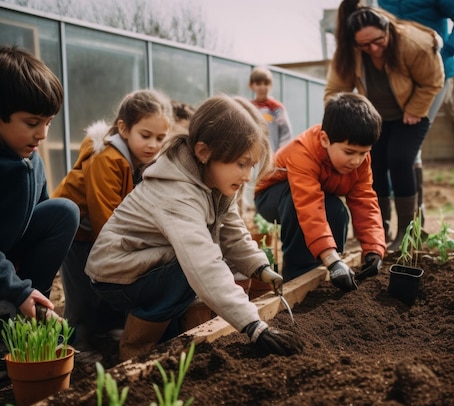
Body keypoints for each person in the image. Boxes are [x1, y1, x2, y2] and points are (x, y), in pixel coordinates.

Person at [85, 94, 304, 360]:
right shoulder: (177, 193)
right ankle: (135, 348)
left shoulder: (215, 181)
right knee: (188, 269)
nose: (247, 175)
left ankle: (169, 334)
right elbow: (203, 263)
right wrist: (253, 324)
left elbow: (233, 231)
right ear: (203, 152)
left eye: (252, 166)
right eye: (241, 164)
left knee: (189, 269)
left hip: (149, 265)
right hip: (116, 274)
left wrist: (259, 267)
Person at [52, 89, 173, 354]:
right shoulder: (105, 159)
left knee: (99, 294)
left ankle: (101, 340)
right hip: (76, 235)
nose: (153, 144)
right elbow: (104, 216)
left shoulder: (138, 159)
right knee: (82, 299)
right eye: (146, 135)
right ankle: (73, 349)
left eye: (160, 138)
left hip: (97, 233)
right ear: (124, 128)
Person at [325, 0, 444, 252]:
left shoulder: (414, 44)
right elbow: (335, 90)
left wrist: (415, 108)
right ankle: (379, 227)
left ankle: (407, 230)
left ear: (388, 29)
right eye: (365, 45)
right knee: (374, 164)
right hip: (376, 118)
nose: (374, 48)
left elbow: (434, 80)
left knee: (400, 159)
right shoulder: (350, 52)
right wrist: (340, 120)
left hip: (410, 112)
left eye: (378, 41)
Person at [255, 92, 386, 290]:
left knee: (335, 209)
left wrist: (374, 251)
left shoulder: (360, 161)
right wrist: (331, 259)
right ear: (325, 140)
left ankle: (330, 272)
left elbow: (365, 202)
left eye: (363, 153)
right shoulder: (303, 152)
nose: (356, 161)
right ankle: (297, 274)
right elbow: (308, 206)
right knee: (299, 205)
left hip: (316, 196)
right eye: (349, 152)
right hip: (272, 196)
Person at [377, 0, 454, 228]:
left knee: (407, 148)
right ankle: (397, 222)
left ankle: (413, 224)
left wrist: (445, 52)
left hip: (433, 77)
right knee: (394, 151)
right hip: (397, 78)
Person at [0, 45, 79, 320]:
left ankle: (30, 310)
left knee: (64, 211)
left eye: (48, 122)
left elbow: (42, 214)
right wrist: (16, 288)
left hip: (8, 258)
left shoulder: (32, 159)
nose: (43, 134)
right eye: (32, 122)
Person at [241, 66, 294, 212]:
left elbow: (286, 131)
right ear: (251, 85)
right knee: (246, 178)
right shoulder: (248, 107)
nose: (262, 87)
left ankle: (261, 211)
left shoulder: (276, 108)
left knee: (266, 182)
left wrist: (281, 152)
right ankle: (246, 208)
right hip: (250, 153)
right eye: (258, 84)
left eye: (265, 84)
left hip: (271, 154)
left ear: (270, 85)